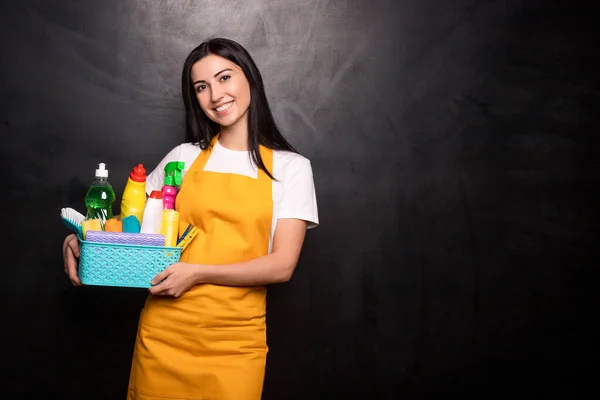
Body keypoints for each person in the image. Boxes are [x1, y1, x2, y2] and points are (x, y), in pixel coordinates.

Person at [62, 37, 319, 400]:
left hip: (235, 342)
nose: (216, 95)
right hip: (165, 333)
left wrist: (198, 272)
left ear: (250, 78)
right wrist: (87, 236)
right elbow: (133, 223)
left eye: (225, 78)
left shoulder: (292, 168)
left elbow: (282, 265)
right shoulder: (183, 157)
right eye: (202, 86)